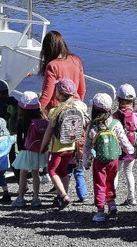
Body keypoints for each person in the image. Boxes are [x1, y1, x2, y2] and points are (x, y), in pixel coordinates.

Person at [83, 92, 134, 222]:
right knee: (110, 181)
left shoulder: (92, 127)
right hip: (113, 159)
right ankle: (112, 204)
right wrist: (130, 150)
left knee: (99, 184)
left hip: (99, 161)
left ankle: (100, 210)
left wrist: (86, 163)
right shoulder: (115, 124)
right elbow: (123, 140)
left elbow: (87, 147)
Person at [40, 78, 86, 210]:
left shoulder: (55, 111)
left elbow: (49, 132)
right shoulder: (77, 109)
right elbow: (81, 128)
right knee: (63, 171)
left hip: (57, 147)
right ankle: (61, 196)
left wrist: (43, 146)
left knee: (52, 170)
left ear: (59, 93)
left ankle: (64, 196)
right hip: (70, 146)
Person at [11, 91, 47, 208]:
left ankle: (20, 199)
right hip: (38, 149)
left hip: (26, 150)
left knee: (23, 174)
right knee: (36, 174)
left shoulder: (22, 120)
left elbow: (19, 138)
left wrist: (21, 150)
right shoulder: (41, 119)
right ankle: (36, 198)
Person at [38, 31, 86, 113]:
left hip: (56, 109)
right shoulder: (76, 60)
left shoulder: (52, 66)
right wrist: (78, 104)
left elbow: (47, 95)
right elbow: (82, 90)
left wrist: (37, 113)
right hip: (75, 107)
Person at [113, 83, 137, 207]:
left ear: (119, 99)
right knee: (129, 172)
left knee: (116, 172)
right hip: (133, 146)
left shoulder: (116, 115)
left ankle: (111, 197)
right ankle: (131, 197)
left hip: (119, 148)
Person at [0, 79, 19, 179]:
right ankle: (19, 178)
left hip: (3, 134)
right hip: (14, 131)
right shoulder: (15, 101)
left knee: (2, 155)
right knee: (13, 155)